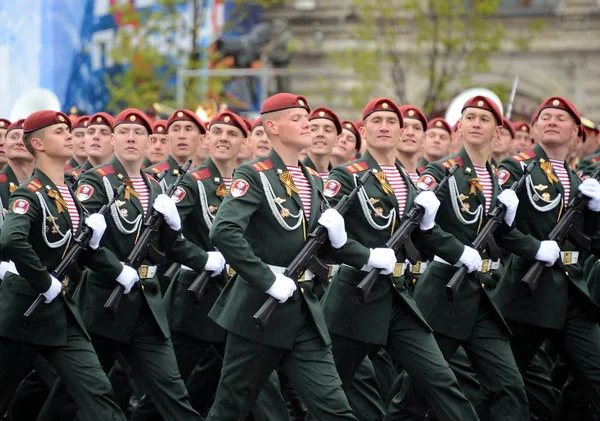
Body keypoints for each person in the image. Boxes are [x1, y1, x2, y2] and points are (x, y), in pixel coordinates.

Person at [205, 93, 396, 421]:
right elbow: (224, 232)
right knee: (230, 408)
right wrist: (267, 279)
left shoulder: (309, 180)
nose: (307, 123)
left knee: (335, 408)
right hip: (258, 311)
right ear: (272, 127)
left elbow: (318, 244)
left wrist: (366, 255)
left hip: (303, 310)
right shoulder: (254, 175)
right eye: (296, 118)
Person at [44, 108, 214, 421]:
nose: (132, 138)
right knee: (72, 396)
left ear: (150, 142)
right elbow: (83, 242)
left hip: (146, 305)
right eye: (124, 132)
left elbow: (170, 245)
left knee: (173, 392)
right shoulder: (96, 181)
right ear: (113, 139)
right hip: (103, 305)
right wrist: (116, 269)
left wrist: (205, 259)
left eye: (139, 134)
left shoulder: (156, 186)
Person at [388, 96, 541, 421]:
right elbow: (423, 227)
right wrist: (458, 251)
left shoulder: (500, 179)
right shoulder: (441, 172)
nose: (475, 123)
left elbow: (501, 236)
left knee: (509, 385)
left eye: (483, 119)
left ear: (498, 133)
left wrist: (533, 245)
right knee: (417, 392)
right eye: (468, 117)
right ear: (459, 127)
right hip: (445, 290)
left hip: (483, 295)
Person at [132, 111, 289, 421]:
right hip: (195, 301)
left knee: (261, 389)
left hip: (241, 296)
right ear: (205, 140)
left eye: (232, 134)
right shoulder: (194, 182)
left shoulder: (254, 179)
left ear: (244, 142)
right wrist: (202, 258)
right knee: (167, 389)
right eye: (216, 132)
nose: (223, 139)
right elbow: (165, 235)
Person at [0, 110, 132, 420]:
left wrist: (118, 271)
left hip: (61, 311)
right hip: (23, 309)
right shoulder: (28, 194)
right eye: (59, 132)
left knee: (97, 390)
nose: (70, 135)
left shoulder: (68, 193)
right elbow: (11, 240)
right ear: (39, 143)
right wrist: (44, 282)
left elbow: (81, 252)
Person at [495, 96, 600, 417]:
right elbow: (497, 228)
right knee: (504, 385)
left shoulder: (577, 181)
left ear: (576, 134)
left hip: (570, 294)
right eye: (546, 117)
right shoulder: (517, 168)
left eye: (561, 117)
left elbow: (589, 243)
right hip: (527, 293)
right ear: (536, 128)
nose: (552, 121)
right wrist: (534, 247)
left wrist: (595, 213)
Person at [146, 109, 206, 190]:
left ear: (201, 139)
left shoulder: (206, 178)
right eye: (176, 129)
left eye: (188, 129)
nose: (181, 135)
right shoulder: (151, 176)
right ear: (167, 139)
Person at [303, 107, 342, 181]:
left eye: (327, 130)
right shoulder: (293, 175)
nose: (320, 134)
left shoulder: (341, 180)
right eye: (313, 129)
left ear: (337, 140)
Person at [396, 105, 428, 182]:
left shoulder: (426, 183)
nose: (410, 133)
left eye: (417, 128)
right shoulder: (383, 176)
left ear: (424, 137)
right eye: (404, 127)